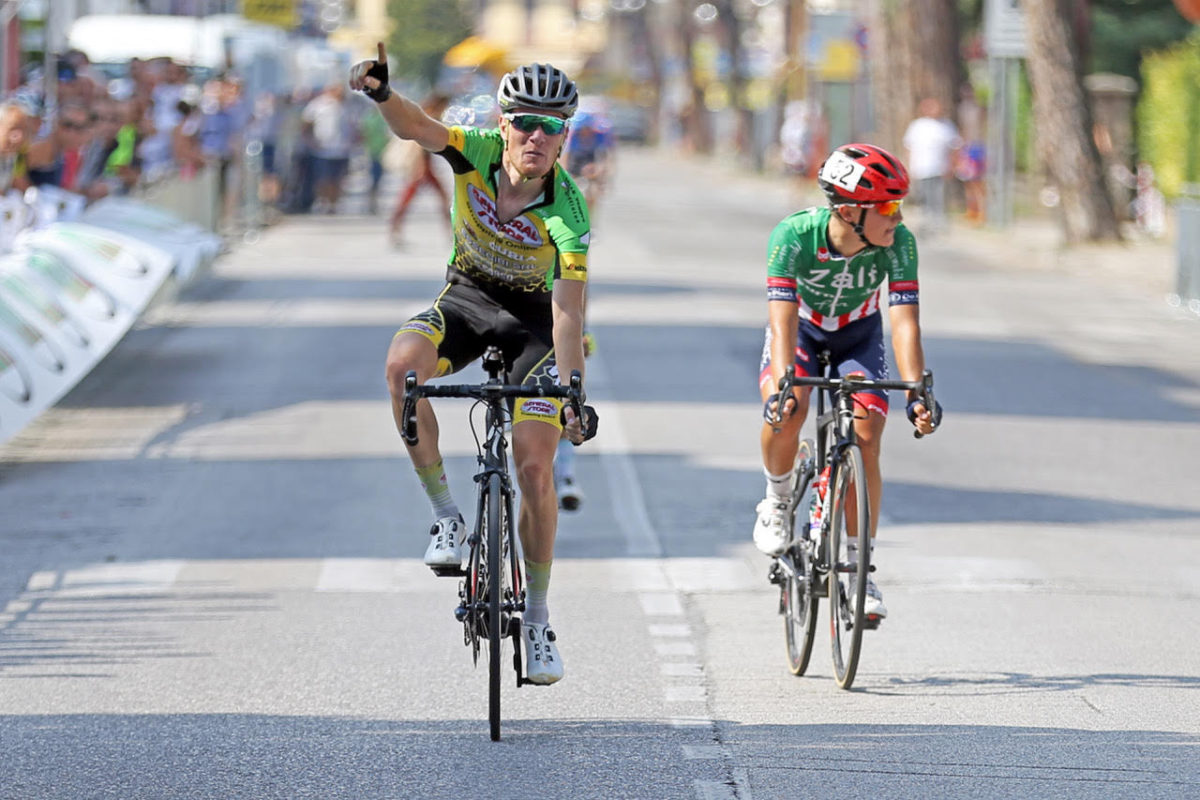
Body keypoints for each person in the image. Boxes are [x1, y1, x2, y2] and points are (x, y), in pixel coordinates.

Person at [350, 45, 595, 686]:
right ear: (503, 122)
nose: (536, 137)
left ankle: (538, 619)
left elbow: (569, 311)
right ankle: (447, 516)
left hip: (533, 327)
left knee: (535, 463)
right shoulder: (476, 150)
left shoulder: (568, 211)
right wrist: (381, 94)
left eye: (552, 127)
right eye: (524, 122)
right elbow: (416, 127)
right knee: (403, 369)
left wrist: (572, 391)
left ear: (565, 137)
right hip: (464, 301)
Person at [752, 143, 942, 624]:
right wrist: (781, 383)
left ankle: (859, 570)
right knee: (790, 406)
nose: (898, 218)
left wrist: (917, 389)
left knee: (866, 434)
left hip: (858, 335)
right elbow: (782, 318)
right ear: (851, 209)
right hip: (803, 332)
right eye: (889, 206)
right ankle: (776, 499)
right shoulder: (794, 235)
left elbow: (903, 323)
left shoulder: (900, 245)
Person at [388, 93, 451, 241]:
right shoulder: (430, 116)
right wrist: (420, 168)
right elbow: (421, 147)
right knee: (436, 197)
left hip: (424, 165)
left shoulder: (425, 114)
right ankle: (395, 227)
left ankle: (396, 227)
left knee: (410, 197)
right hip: (421, 165)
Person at [902, 98, 961, 234]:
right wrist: (909, 165)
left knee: (939, 195)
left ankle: (939, 221)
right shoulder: (917, 125)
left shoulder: (946, 125)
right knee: (923, 195)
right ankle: (925, 221)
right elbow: (908, 146)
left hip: (940, 167)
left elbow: (955, 146)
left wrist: (953, 165)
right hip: (921, 167)